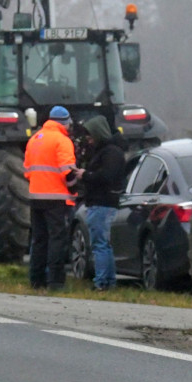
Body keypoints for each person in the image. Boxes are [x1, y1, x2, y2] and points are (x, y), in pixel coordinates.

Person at [23, 105, 77, 291]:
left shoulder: (34, 139)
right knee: (57, 239)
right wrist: (76, 187)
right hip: (56, 198)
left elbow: (27, 170)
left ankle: (36, 280)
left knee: (39, 239)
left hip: (36, 197)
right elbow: (67, 171)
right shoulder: (62, 141)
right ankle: (55, 281)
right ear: (65, 122)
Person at [70, 116, 126, 291]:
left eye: (90, 135)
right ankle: (108, 281)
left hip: (101, 203)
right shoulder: (112, 151)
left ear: (98, 133)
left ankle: (101, 282)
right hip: (104, 203)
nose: (89, 139)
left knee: (99, 244)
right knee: (104, 244)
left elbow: (106, 176)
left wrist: (85, 175)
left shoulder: (109, 153)